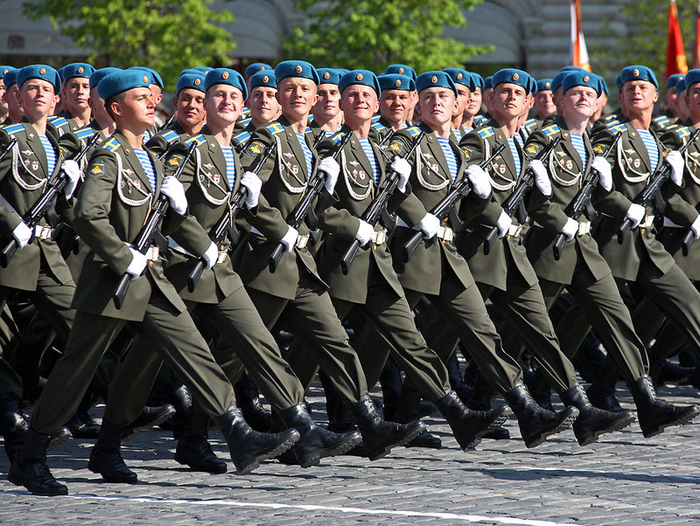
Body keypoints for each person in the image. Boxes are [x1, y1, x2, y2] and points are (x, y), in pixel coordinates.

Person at [9, 69, 300, 496]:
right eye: (139, 97)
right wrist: (121, 255)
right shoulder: (110, 154)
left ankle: (238, 432)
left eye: (150, 96)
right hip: (113, 282)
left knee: (194, 351)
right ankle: (30, 457)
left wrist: (197, 239)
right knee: (76, 370)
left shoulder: (150, 155)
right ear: (114, 108)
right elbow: (89, 215)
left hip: (151, 278)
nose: (150, 102)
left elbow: (170, 216)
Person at [238, 60, 425, 461]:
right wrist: (278, 227)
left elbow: (319, 206)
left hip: (303, 263)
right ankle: (197, 430)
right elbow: (248, 200)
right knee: (237, 353)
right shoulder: (268, 139)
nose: (300, 96)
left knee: (334, 341)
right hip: (266, 263)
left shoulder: (316, 144)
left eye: (307, 89)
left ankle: (367, 423)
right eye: (289, 89)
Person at [522, 69, 697, 438]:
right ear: (558, 99)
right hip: (554, 249)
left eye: (589, 92)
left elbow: (609, 190)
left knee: (616, 319)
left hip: (589, 247)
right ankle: (493, 390)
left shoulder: (595, 141)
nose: (583, 97)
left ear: (600, 101)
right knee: (528, 331)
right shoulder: (554, 138)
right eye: (574, 93)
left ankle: (645, 401)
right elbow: (537, 197)